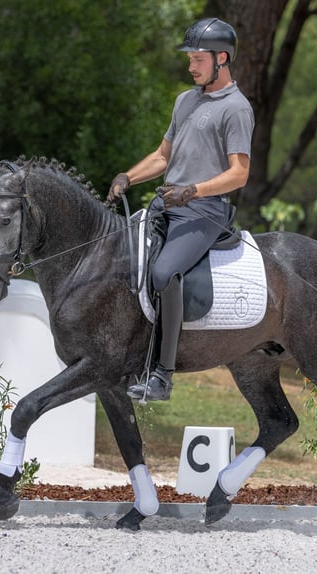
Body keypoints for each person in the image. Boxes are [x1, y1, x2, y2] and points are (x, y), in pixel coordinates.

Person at [108, 17, 255, 402]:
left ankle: (161, 376)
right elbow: (162, 156)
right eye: (189, 58)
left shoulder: (236, 109)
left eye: (197, 59)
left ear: (221, 58)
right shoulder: (185, 100)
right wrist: (128, 176)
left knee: (163, 271)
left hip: (204, 211)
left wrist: (193, 191)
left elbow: (240, 173)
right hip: (169, 202)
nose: (190, 66)